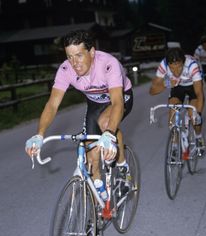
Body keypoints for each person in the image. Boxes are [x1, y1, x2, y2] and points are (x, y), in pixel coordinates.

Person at [25, 29, 133, 184]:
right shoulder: (65, 69)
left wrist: (109, 133)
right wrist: (39, 134)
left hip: (121, 97)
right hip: (95, 103)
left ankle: (123, 166)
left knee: (105, 123)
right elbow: (52, 105)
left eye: (79, 55)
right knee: (91, 157)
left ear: (92, 52)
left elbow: (117, 102)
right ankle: (100, 201)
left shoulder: (109, 64)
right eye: (70, 57)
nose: (74, 63)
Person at [149, 47, 206, 156]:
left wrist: (198, 113)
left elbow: (199, 93)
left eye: (179, 67)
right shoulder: (164, 65)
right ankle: (175, 145)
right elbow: (152, 90)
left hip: (192, 86)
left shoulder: (191, 65)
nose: (175, 72)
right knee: (173, 109)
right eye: (172, 68)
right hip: (178, 86)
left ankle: (198, 137)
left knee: (193, 115)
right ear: (168, 65)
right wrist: (165, 84)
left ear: (183, 63)